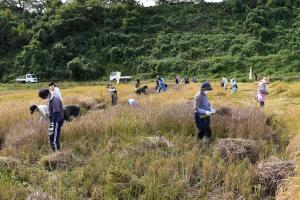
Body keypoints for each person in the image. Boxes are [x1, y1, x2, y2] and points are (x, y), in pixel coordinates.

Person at [194, 82, 216, 149]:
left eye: (209, 90)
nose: (208, 91)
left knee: (202, 131)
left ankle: (196, 142)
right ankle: (206, 146)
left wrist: (211, 109)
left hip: (205, 116)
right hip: (200, 116)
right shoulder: (199, 96)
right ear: (203, 89)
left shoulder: (204, 95)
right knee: (207, 131)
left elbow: (208, 104)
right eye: (207, 89)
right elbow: (196, 108)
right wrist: (206, 112)